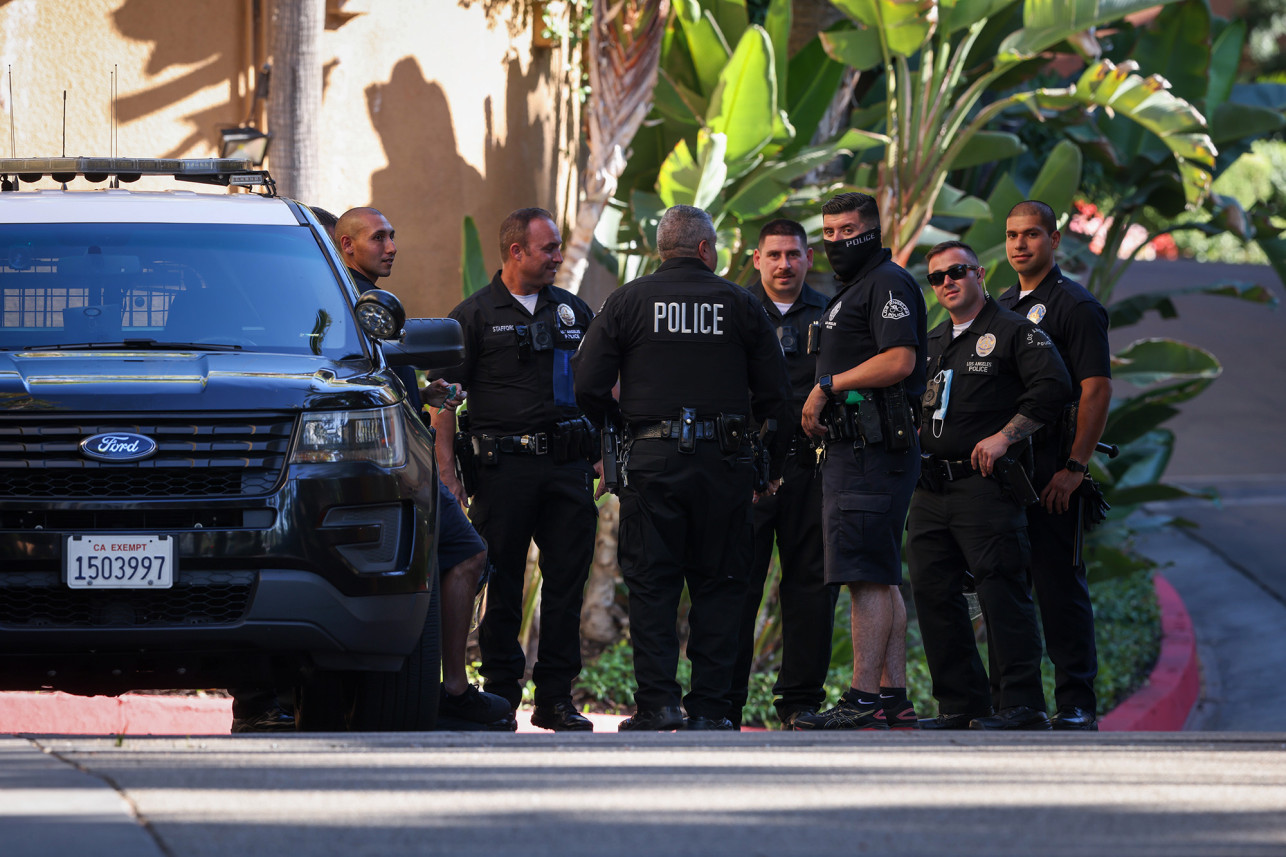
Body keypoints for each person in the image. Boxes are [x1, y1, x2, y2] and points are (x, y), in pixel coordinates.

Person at [572, 204, 791, 731]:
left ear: (660, 250)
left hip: (652, 461)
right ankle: (712, 710)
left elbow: (586, 385)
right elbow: (777, 398)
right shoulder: (740, 303)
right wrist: (771, 467)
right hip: (725, 462)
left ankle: (658, 705)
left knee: (652, 585)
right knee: (720, 585)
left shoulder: (626, 302)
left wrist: (616, 433)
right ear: (705, 249)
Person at [335, 206, 513, 731]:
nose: (391, 245)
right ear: (346, 245)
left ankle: (447, 691)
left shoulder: (369, 301)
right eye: (378, 237)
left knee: (461, 556)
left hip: (400, 463)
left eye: (393, 235)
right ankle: (449, 691)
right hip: (375, 468)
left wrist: (425, 392)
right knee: (464, 554)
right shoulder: (346, 300)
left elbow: (382, 379)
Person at [430, 207, 598, 732]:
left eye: (558, 247)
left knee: (567, 586)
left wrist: (598, 451)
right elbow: (442, 404)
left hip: (567, 469)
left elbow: (596, 386)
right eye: (548, 248)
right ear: (515, 252)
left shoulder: (573, 311)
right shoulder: (473, 315)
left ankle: (556, 699)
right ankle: (500, 695)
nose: (558, 256)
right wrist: (447, 475)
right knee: (501, 583)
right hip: (503, 471)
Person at [909, 241, 1072, 731]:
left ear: (979, 273)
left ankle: (1022, 705)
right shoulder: (934, 341)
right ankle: (961, 705)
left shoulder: (1015, 331)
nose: (947, 282)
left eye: (957, 271)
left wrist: (1005, 437)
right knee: (935, 594)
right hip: (931, 488)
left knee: (1002, 591)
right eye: (937, 277)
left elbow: (1055, 388)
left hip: (985, 488)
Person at [794, 192, 927, 731]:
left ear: (873, 230)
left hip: (872, 449)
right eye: (827, 232)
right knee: (881, 576)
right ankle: (893, 698)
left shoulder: (887, 283)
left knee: (865, 579)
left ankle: (861, 697)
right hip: (861, 450)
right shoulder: (852, 290)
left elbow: (900, 359)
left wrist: (828, 385)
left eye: (848, 230)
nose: (837, 241)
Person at [994, 200, 1113, 731]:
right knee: (1003, 586)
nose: (1021, 244)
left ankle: (1077, 703)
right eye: (1013, 235)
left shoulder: (1075, 306)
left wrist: (1075, 466)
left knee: (1059, 587)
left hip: (1052, 471)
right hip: (1003, 472)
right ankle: (1018, 702)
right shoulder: (1000, 305)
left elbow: (1097, 389)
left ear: (1055, 239)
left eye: (1032, 235)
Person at [726, 219, 836, 730]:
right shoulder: (734, 309)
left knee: (811, 586)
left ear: (808, 258)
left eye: (793, 255)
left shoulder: (834, 312)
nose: (784, 264)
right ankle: (724, 702)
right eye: (774, 255)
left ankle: (800, 702)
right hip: (747, 464)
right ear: (757, 259)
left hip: (812, 463)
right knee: (736, 585)